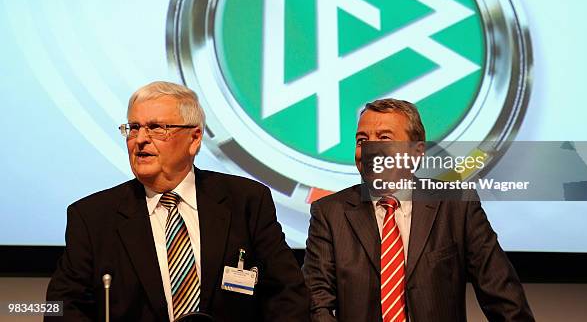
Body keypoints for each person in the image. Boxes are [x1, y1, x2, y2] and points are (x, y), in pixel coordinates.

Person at [46, 81, 309, 322]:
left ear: (194, 139)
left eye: (156, 128)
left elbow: (288, 294)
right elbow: (60, 307)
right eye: (133, 128)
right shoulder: (93, 217)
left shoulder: (246, 201)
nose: (140, 139)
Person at [302, 99, 534, 322]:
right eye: (362, 140)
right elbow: (316, 303)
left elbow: (504, 299)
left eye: (384, 138)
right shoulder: (330, 213)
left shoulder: (456, 205)